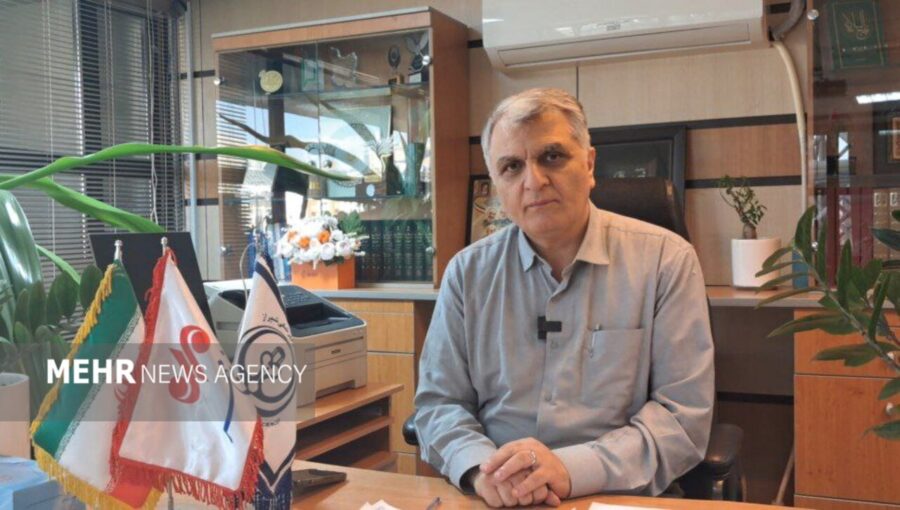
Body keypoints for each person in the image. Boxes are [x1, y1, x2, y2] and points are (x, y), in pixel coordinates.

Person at [413, 88, 714, 507]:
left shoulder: (666, 260)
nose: (533, 181)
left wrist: (570, 469)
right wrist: (483, 470)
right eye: (512, 166)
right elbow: (438, 404)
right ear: (496, 183)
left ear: (589, 164)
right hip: (499, 496)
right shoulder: (467, 273)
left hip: (617, 495)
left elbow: (681, 419)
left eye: (552, 156)